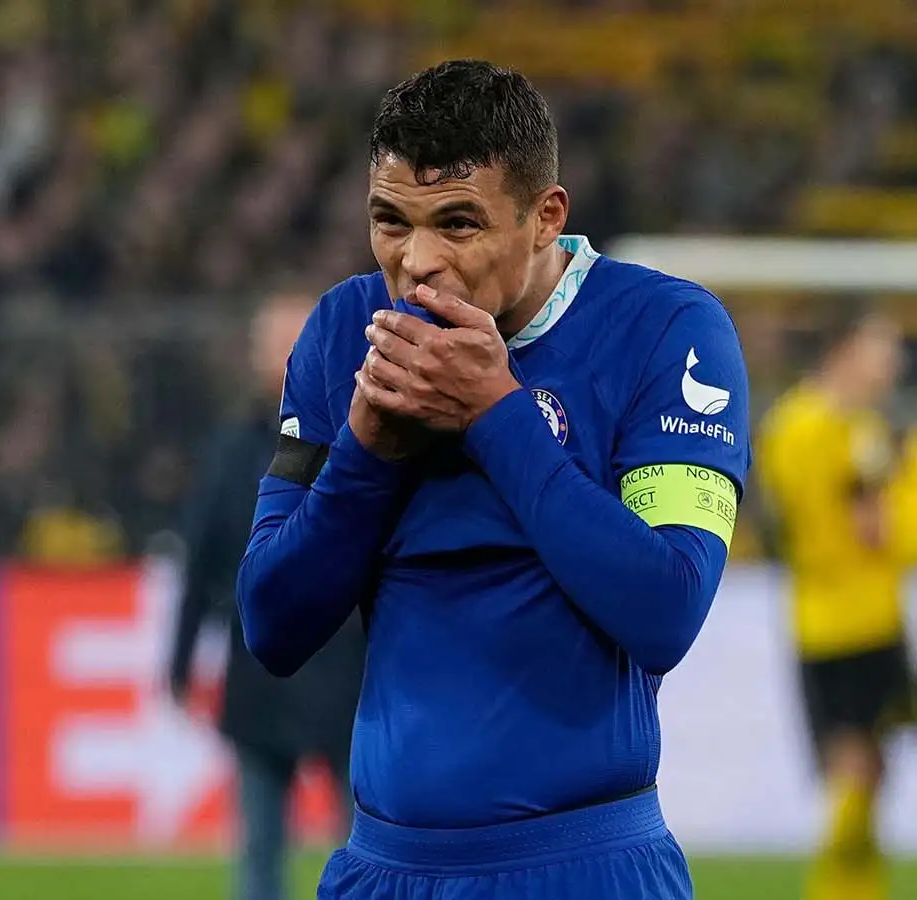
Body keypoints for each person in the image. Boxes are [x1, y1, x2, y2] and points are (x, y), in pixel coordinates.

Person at [236, 59, 751, 900]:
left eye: (459, 224)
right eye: (390, 221)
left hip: (583, 871)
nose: (417, 261)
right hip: (383, 871)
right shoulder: (344, 334)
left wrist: (496, 414)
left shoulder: (667, 331)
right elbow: (272, 625)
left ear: (546, 218)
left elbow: (667, 609)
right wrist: (368, 455)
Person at [168, 290, 365, 900]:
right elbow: (202, 562)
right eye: (271, 344)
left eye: (292, 343)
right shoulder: (231, 451)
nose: (280, 359)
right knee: (258, 855)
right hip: (259, 676)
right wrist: (178, 662)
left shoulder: (367, 437)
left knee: (366, 849)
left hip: (349, 676)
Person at [756, 308, 917, 900]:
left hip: (831, 617)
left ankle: (859, 887)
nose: (892, 363)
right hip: (852, 618)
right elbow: (877, 530)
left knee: (866, 764)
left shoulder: (794, 422)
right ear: (846, 351)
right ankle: (838, 890)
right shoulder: (843, 429)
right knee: (857, 764)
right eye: (882, 348)